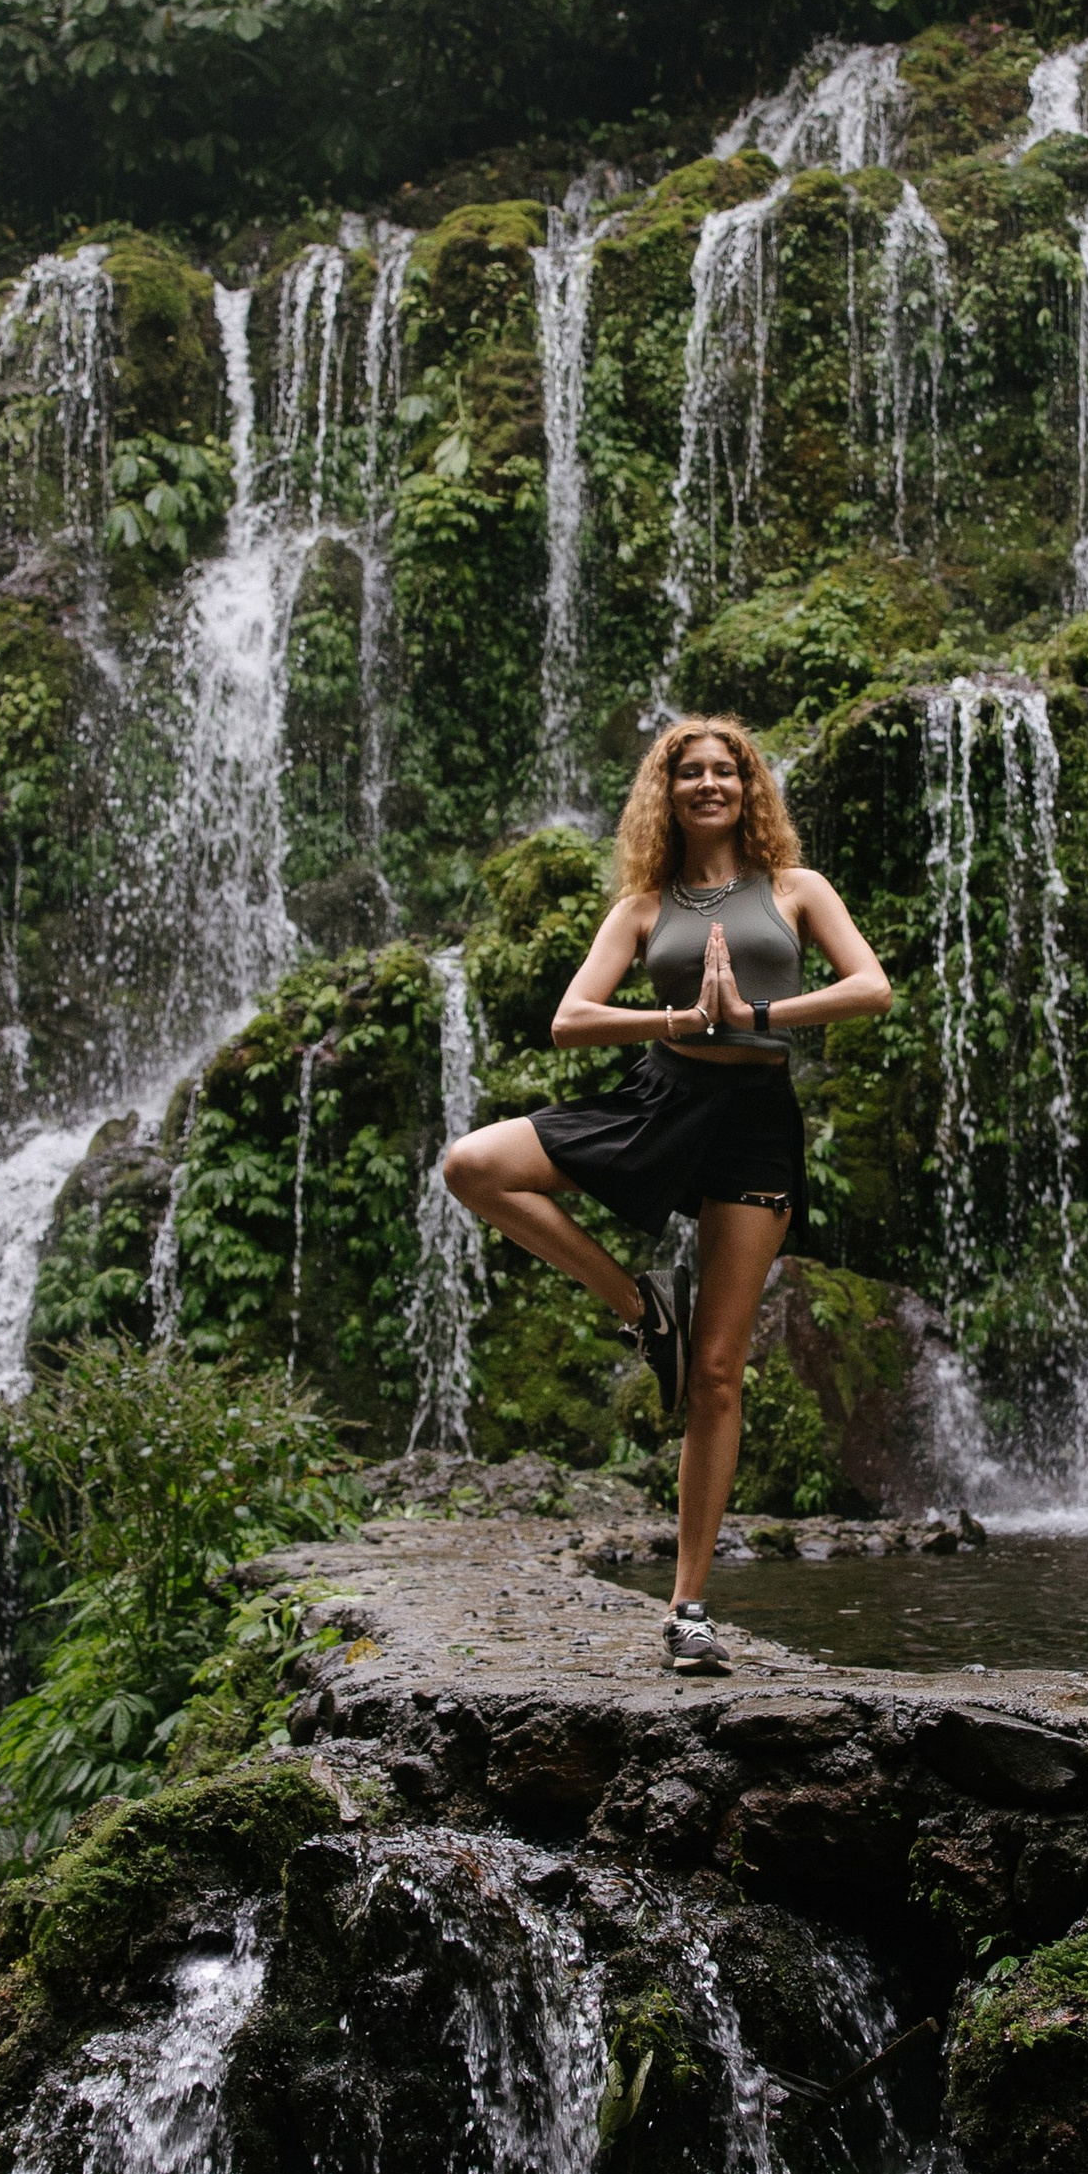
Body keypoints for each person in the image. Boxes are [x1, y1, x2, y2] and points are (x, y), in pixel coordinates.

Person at [443, 714, 892, 1672]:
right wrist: (681, 1015)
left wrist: (756, 1012)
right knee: (472, 1165)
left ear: (748, 786)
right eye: (688, 773)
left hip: (755, 1118)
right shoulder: (644, 903)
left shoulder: (796, 890)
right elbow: (571, 1020)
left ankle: (689, 1607)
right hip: (661, 1095)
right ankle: (642, 1305)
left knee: (720, 1373)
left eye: (723, 771)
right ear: (667, 792)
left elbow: (870, 988)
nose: (707, 785)